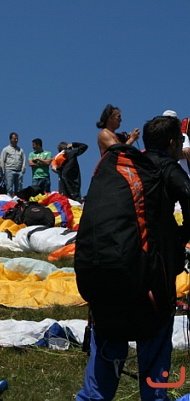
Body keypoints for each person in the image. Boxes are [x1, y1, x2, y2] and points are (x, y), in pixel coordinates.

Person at [76, 115, 190, 401]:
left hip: (105, 276)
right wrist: (181, 237)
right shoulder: (166, 168)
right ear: (172, 142)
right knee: (154, 355)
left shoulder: (123, 166)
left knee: (107, 353)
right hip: (148, 283)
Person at [163, 110, 190, 176]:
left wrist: (165, 152)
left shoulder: (183, 136)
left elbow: (187, 153)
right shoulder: (159, 138)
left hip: (183, 176)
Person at [0, 132, 26, 196]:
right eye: (14, 139)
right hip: (9, 171)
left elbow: (24, 160)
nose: (16, 140)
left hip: (19, 171)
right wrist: (3, 172)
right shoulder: (6, 149)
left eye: (17, 139)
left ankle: (18, 200)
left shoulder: (21, 150)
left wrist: (22, 170)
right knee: (9, 188)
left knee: (19, 189)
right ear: (10, 139)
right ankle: (10, 200)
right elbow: (2, 161)